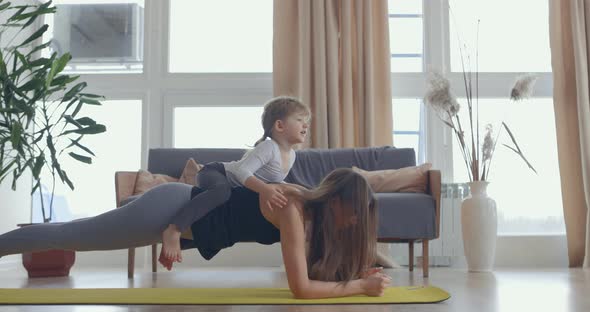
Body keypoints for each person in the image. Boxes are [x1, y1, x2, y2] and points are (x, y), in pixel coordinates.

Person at [0, 168, 391, 299]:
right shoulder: (292, 209)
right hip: (172, 207)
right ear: (336, 201)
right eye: (356, 213)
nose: (356, 222)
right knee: (72, 236)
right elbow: (302, 288)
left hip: (182, 224)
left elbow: (319, 273)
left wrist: (361, 274)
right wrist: (359, 287)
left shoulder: (313, 220)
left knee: (71, 234)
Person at [161, 96, 311, 265]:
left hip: (233, 185)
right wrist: (265, 189)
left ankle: (179, 246)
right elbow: (242, 171)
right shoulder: (269, 147)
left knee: (231, 205)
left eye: (306, 121)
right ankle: (174, 229)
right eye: (300, 120)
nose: (305, 125)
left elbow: (275, 181)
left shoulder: (291, 155)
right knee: (221, 193)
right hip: (216, 172)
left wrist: (303, 192)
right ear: (279, 125)